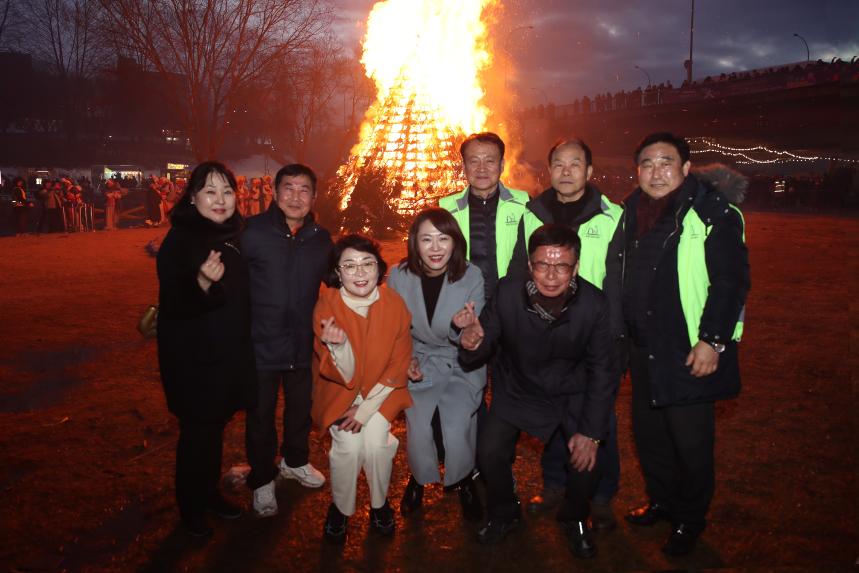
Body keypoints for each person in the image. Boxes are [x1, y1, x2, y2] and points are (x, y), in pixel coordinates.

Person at [621, 132, 750, 556]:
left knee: (690, 443)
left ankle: (690, 520)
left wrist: (713, 340)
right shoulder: (631, 210)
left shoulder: (714, 213)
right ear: (637, 170)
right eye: (647, 164)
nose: (656, 172)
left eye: (666, 163)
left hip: (687, 348)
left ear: (686, 168)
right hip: (642, 347)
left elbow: (731, 283)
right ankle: (662, 500)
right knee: (650, 434)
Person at [459, 224, 616, 559]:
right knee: (488, 452)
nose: (551, 275)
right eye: (543, 264)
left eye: (561, 266)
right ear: (530, 265)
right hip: (518, 387)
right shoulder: (506, 292)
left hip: (570, 391)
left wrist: (590, 432)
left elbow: (602, 371)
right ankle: (504, 512)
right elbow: (482, 341)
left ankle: (574, 518)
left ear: (575, 266)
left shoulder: (594, 305)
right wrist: (471, 342)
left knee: (588, 460)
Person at [508, 138, 624, 530]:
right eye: (559, 164)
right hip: (544, 331)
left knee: (598, 415)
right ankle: (556, 484)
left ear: (590, 172)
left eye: (576, 164)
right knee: (552, 413)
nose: (567, 171)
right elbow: (518, 272)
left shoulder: (612, 216)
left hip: (594, 334)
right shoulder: (532, 214)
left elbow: (620, 280)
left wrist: (614, 332)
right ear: (550, 170)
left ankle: (602, 494)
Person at [155, 161, 256, 537]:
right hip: (194, 360)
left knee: (214, 430)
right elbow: (174, 303)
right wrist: (200, 280)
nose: (220, 200)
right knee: (197, 433)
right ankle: (191, 507)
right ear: (193, 197)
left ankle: (209, 494)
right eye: (210, 191)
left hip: (227, 356)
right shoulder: (182, 240)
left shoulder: (235, 235)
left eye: (227, 191)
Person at [242, 164, 333, 517]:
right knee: (260, 414)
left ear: (314, 196)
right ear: (275, 192)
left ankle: (295, 461)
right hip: (259, 342)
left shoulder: (320, 238)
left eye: (304, 190)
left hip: (301, 342)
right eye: (289, 188)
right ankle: (262, 478)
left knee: (300, 410)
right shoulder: (251, 232)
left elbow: (335, 278)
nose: (296, 197)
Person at [312, 235, 413, 544]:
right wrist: (339, 346)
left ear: (379, 268)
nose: (360, 273)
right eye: (350, 265)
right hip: (342, 393)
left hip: (383, 393)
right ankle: (341, 509)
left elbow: (399, 364)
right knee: (349, 446)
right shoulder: (327, 305)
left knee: (377, 444)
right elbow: (342, 374)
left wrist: (367, 409)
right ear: (337, 272)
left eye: (367, 264)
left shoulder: (393, 303)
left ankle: (380, 505)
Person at [386, 208, 485, 521]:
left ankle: (464, 477)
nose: (435, 247)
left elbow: (474, 338)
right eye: (426, 239)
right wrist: (407, 360)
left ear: (455, 242)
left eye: (443, 238)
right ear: (415, 243)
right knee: (418, 422)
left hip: (460, 361)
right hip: (420, 358)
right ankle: (418, 478)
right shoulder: (399, 276)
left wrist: (463, 327)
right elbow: (396, 329)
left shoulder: (471, 275)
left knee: (457, 423)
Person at [439, 132, 529, 302]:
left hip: (512, 302)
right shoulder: (445, 209)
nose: (482, 168)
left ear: (502, 165)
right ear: (464, 167)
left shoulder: (525, 205)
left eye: (489, 161)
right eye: (474, 161)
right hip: (464, 304)